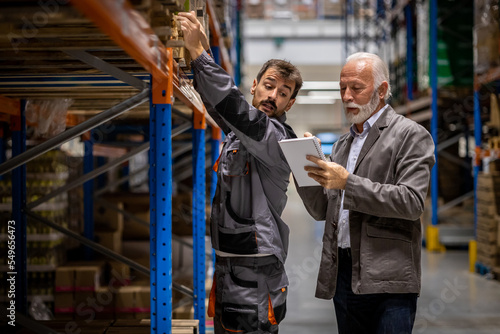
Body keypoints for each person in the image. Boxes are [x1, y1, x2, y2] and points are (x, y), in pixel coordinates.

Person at [177, 11, 303, 334]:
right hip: (230, 266)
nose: (274, 96)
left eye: (284, 93)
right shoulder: (238, 136)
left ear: (289, 105)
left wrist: (202, 57)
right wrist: (196, 59)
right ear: (255, 86)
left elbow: (237, 110)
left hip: (255, 274)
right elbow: (221, 108)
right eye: (270, 86)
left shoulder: (277, 139)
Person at [296, 52, 435, 334]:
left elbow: (411, 202)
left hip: (390, 275)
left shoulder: (410, 135)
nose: (347, 96)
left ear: (382, 90)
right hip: (345, 273)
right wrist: (304, 167)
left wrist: (348, 182)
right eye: (342, 88)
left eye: (357, 88)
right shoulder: (343, 144)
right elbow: (323, 210)